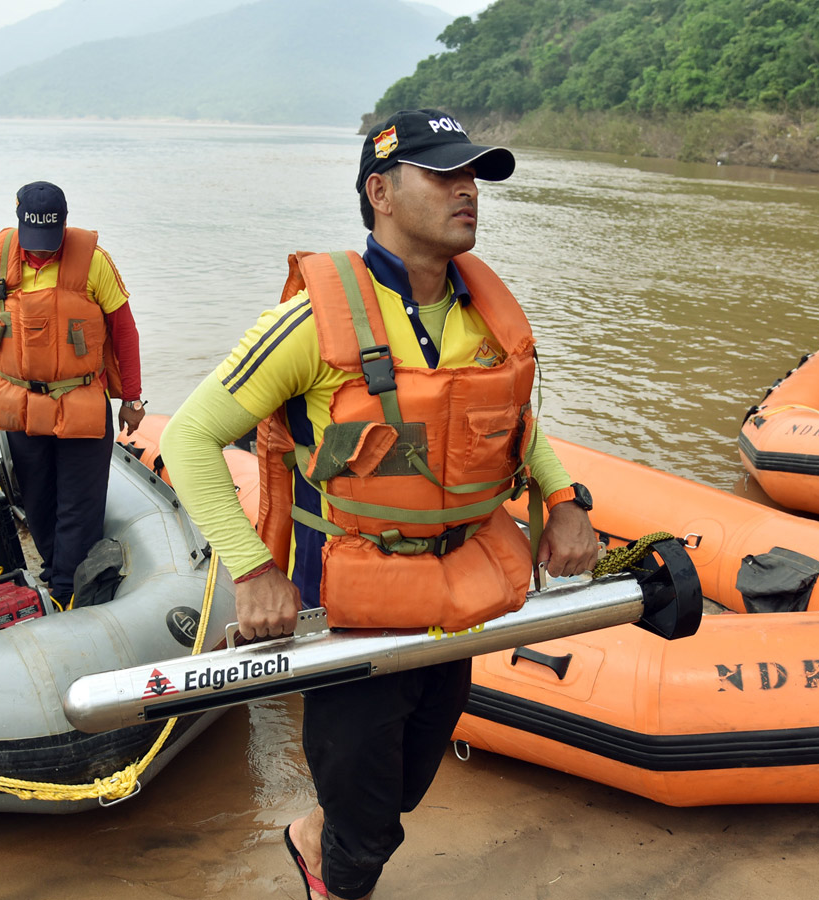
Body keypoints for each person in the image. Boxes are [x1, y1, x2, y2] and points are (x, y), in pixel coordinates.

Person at [160, 109, 600, 899]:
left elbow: (513, 424)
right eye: (445, 175)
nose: (468, 191)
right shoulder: (310, 322)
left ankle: (317, 832)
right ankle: (332, 869)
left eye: (474, 177)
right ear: (381, 192)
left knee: (403, 788)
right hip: (352, 607)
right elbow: (191, 438)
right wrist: (255, 570)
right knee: (369, 833)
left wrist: (566, 500)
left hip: (456, 592)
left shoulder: (483, 318)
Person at [0, 181, 145, 606]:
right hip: (22, 401)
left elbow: (124, 332)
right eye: (34, 244)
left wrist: (133, 398)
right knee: (37, 496)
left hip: (81, 399)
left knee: (80, 501)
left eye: (51, 242)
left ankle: (70, 588)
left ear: (65, 225)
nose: (42, 253)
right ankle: (53, 571)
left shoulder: (96, 263)